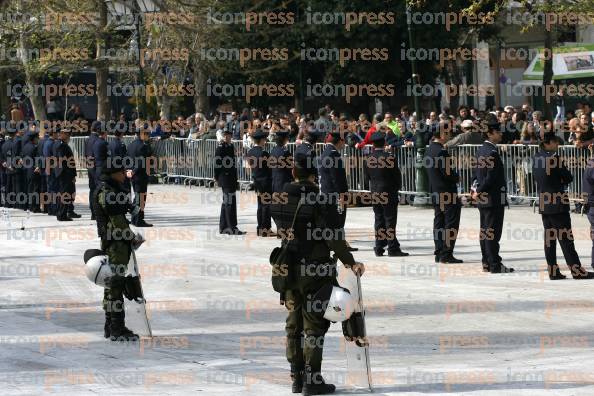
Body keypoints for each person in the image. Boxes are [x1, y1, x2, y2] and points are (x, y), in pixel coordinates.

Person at [270, 152, 364, 395]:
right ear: (315, 176)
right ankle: (313, 380)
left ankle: (296, 376)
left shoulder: (278, 199)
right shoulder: (320, 201)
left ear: (293, 173)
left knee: (293, 324)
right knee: (313, 327)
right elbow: (332, 236)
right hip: (315, 272)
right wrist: (350, 262)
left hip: (288, 269)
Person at [533, 133, 594, 280]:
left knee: (550, 240)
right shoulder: (554, 158)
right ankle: (576, 271)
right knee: (566, 240)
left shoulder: (536, 157)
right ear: (549, 143)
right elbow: (568, 177)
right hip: (557, 203)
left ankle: (553, 271)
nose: (557, 146)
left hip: (544, 202)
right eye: (555, 143)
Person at [91, 162, 141, 341]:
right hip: (116, 245)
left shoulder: (106, 189)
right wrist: (132, 237)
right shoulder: (108, 193)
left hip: (113, 243)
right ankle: (117, 328)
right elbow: (118, 222)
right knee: (116, 285)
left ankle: (110, 325)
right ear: (113, 173)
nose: (124, 175)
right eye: (121, 172)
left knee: (111, 284)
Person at [472, 114, 514, 273]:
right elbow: (490, 178)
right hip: (493, 199)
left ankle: (487, 262)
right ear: (490, 133)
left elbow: (475, 174)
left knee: (484, 231)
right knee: (492, 233)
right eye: (497, 131)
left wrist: (474, 189)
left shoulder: (481, 150)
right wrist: (479, 190)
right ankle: (495, 264)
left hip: (483, 199)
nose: (500, 134)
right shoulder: (492, 152)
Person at [364, 132, 408, 257]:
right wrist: (396, 189)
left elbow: (366, 178)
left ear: (372, 144)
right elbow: (397, 177)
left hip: (375, 192)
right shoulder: (389, 157)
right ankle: (392, 248)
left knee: (379, 220)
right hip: (388, 192)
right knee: (390, 220)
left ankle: (379, 246)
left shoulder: (368, 158)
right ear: (384, 143)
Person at [425, 125, 462, 263]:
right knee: (450, 223)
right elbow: (448, 173)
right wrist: (457, 177)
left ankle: (439, 251)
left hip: (435, 192)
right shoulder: (441, 152)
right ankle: (446, 253)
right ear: (440, 135)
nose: (448, 135)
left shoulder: (429, 150)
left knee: (439, 222)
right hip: (447, 192)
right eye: (446, 133)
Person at [319, 131, 358, 252]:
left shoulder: (325, 153)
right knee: (338, 221)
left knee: (331, 220)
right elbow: (337, 178)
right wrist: (342, 194)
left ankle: (334, 243)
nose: (344, 144)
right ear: (339, 141)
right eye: (343, 141)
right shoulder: (334, 155)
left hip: (326, 192)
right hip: (335, 194)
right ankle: (339, 244)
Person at [215, 129, 245, 235]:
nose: (228, 138)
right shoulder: (220, 147)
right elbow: (217, 163)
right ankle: (231, 227)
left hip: (231, 177)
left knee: (227, 202)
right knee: (229, 203)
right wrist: (216, 177)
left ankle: (223, 227)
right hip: (225, 178)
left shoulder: (231, 146)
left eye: (229, 136)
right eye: (226, 136)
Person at [246, 129, 274, 236]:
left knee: (260, 206)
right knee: (266, 206)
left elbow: (249, 167)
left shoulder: (250, 152)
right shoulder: (264, 153)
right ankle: (265, 229)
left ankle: (260, 227)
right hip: (265, 181)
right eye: (264, 139)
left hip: (256, 181)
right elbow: (269, 168)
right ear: (262, 140)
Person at [126, 126, 153, 227]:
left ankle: (134, 219)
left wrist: (128, 170)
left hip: (133, 175)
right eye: (147, 134)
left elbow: (126, 159)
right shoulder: (143, 146)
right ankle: (139, 220)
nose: (148, 136)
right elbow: (141, 161)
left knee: (137, 197)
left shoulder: (131, 145)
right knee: (141, 198)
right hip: (140, 175)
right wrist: (133, 171)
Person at [54, 128, 78, 221]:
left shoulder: (62, 145)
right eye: (67, 134)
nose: (69, 136)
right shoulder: (62, 146)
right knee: (65, 194)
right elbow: (65, 162)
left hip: (64, 174)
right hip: (65, 175)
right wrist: (71, 175)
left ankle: (61, 213)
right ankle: (62, 214)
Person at [22, 130, 41, 212]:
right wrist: (38, 167)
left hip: (26, 170)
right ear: (34, 138)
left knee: (29, 189)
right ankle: (34, 207)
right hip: (33, 171)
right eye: (37, 138)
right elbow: (37, 159)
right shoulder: (34, 147)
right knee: (35, 190)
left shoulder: (25, 147)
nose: (38, 140)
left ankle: (29, 206)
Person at [86, 121, 101, 219]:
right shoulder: (97, 140)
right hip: (96, 168)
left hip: (90, 167)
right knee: (97, 191)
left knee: (92, 190)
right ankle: (97, 212)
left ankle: (93, 212)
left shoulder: (87, 140)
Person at [43, 128, 58, 215]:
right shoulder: (52, 144)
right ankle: (53, 209)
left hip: (48, 169)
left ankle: (50, 209)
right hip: (52, 169)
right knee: (53, 190)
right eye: (56, 133)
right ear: (53, 134)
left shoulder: (46, 143)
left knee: (50, 189)